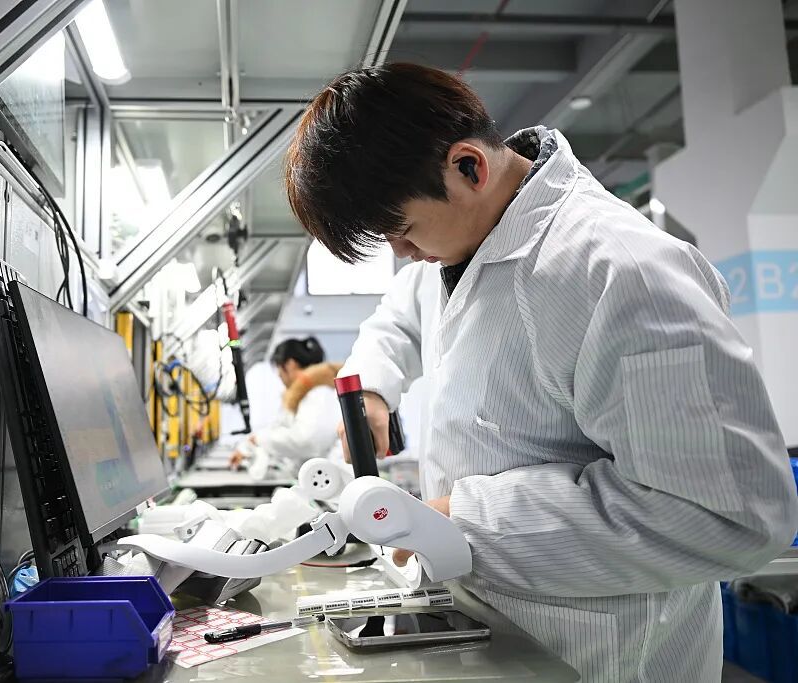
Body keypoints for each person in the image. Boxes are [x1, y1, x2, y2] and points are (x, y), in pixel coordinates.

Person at [283, 62, 798, 681]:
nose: (402, 254)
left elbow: (732, 516)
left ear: (468, 166)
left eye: (403, 231)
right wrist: (370, 385)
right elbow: (398, 321)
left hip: (602, 657)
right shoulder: (458, 242)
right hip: (498, 639)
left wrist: (465, 522)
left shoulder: (620, 273)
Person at [228, 337, 342, 473]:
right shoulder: (301, 396)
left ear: (290, 365)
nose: (279, 375)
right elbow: (280, 427)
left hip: (330, 476)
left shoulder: (320, 393)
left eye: (278, 368)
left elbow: (307, 441)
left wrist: (258, 440)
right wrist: (247, 447)